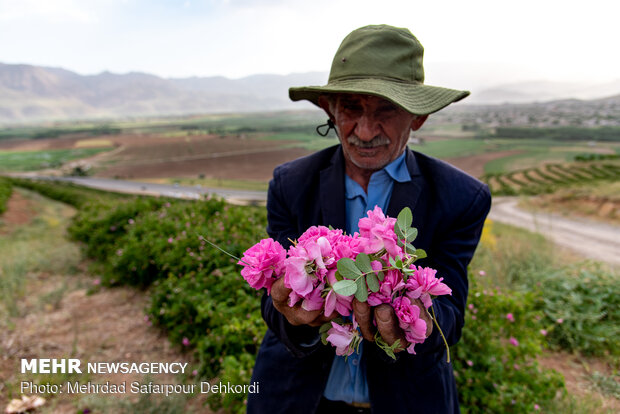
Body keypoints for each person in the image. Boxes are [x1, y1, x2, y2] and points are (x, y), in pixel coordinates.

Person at [247, 24, 491, 414]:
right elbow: (271, 304)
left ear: (418, 116)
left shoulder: (461, 198)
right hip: (298, 399)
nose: (364, 130)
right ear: (331, 109)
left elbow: (451, 318)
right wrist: (294, 315)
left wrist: (416, 320)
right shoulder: (291, 184)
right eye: (351, 107)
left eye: (386, 110)